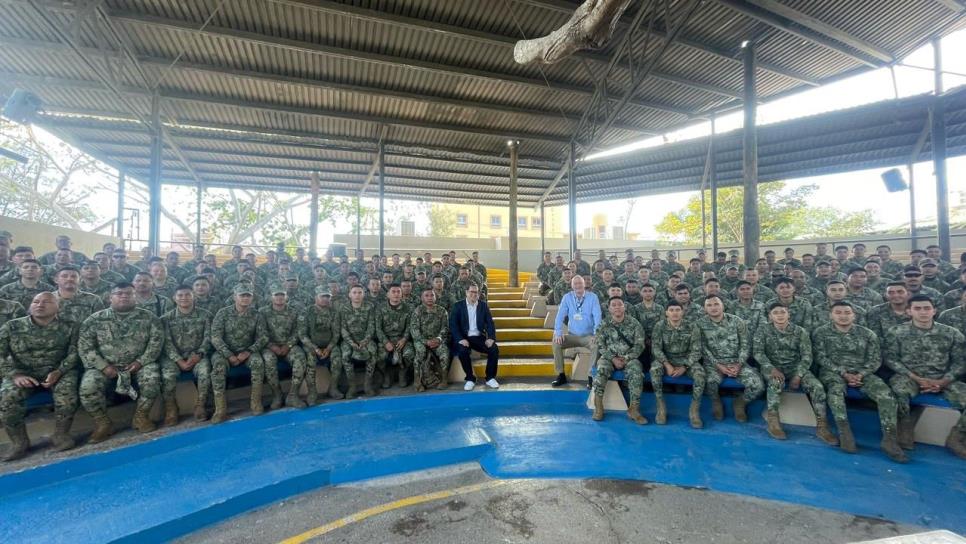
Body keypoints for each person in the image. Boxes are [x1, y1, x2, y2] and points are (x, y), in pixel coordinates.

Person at [813, 301, 907, 463]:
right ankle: (844, 432)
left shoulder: (867, 334)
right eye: (838, 312)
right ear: (831, 315)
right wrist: (843, 373)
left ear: (854, 315)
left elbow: (875, 359)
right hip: (833, 372)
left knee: (886, 396)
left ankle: (889, 439)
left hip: (863, 373)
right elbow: (821, 357)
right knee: (835, 393)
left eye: (847, 312)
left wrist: (861, 374)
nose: (843, 316)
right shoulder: (821, 333)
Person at [78, 282, 164, 441]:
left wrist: (141, 362)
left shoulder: (149, 318)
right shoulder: (94, 320)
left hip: (140, 364)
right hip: (104, 366)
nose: (124, 296)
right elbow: (85, 347)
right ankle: (103, 423)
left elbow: (156, 343)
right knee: (88, 387)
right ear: (110, 297)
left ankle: (141, 417)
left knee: (152, 380)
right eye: (119, 293)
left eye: (129, 293)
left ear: (135, 297)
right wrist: (104, 367)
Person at [884, 295, 966, 459]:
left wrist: (944, 381)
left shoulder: (951, 333)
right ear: (909, 311)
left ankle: (957, 436)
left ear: (934, 311)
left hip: (943, 378)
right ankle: (904, 429)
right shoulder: (896, 332)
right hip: (909, 376)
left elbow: (961, 362)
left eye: (927, 308)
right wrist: (915, 377)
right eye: (918, 308)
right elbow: (890, 358)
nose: (923, 312)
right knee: (899, 391)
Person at [0, 293, 80, 459]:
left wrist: (60, 371)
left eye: (46, 302)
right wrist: (14, 375)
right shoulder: (12, 327)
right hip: (23, 374)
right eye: (36, 301)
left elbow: (75, 353)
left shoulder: (71, 326)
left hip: (59, 371)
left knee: (67, 397)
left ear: (58, 307)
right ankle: (19, 442)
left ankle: (61, 435)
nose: (40, 305)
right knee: (8, 399)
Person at [754, 303, 838, 445]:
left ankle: (822, 427)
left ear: (789, 314)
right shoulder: (762, 330)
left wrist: (798, 375)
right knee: (775, 383)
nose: (780, 315)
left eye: (783, 312)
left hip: (796, 367)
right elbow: (758, 352)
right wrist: (771, 368)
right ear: (770, 316)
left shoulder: (800, 332)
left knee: (817, 387)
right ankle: (773, 422)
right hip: (773, 367)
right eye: (775, 312)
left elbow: (807, 356)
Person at [695, 295, 763, 422]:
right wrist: (718, 365)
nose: (713, 307)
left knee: (757, 385)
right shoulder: (699, 324)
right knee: (709, 382)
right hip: (713, 364)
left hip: (737, 362)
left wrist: (739, 364)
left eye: (716, 304)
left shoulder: (737, 321)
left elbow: (745, 344)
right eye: (709, 305)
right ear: (705, 308)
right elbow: (702, 348)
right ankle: (716, 402)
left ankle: (740, 403)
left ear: (723, 305)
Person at [211, 283, 268, 419]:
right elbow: (215, 337)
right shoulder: (223, 313)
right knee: (218, 368)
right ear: (234, 297)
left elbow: (263, 337)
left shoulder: (257, 315)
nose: (245, 298)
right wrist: (229, 355)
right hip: (224, 352)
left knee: (258, 363)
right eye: (242, 295)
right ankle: (220, 409)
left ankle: (255, 403)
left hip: (247, 352)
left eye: (248, 295)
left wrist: (249, 351)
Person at [161, 286, 212, 424]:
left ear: (193, 296)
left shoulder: (205, 315)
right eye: (180, 295)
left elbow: (208, 337)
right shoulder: (166, 319)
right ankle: (171, 409)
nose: (184, 298)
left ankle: (200, 406)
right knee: (167, 375)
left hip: (198, 356)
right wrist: (179, 360)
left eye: (188, 295)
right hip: (174, 358)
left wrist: (199, 354)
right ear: (174, 298)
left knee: (205, 371)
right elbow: (166, 343)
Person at [590, 297, 646, 423]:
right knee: (601, 371)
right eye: (613, 305)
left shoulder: (634, 323)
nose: (617, 307)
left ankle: (634, 410)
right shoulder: (604, 324)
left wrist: (626, 359)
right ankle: (598, 407)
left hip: (630, 358)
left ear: (624, 307)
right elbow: (600, 344)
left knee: (637, 372)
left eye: (619, 304)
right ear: (609, 309)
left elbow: (639, 345)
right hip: (609, 357)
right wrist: (613, 358)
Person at [650, 301, 703, 428]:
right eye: (672, 310)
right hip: (665, 359)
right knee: (654, 371)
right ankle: (661, 407)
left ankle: (694, 411)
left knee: (700, 375)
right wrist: (667, 364)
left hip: (685, 360)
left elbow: (697, 350)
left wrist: (685, 366)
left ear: (682, 312)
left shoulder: (691, 326)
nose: (675, 313)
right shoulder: (660, 326)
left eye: (677, 310)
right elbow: (656, 348)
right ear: (666, 312)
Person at [260, 285, 306, 408]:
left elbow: (298, 331)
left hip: (289, 346)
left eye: (282, 295)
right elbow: (260, 333)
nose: (280, 297)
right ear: (271, 297)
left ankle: (293, 395)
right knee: (269, 360)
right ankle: (277, 395)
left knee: (300, 358)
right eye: (276, 295)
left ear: (286, 297)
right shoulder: (262, 312)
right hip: (269, 347)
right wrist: (272, 346)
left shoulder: (293, 311)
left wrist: (289, 345)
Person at [551, 276, 602, 387]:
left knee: (597, 344)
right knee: (556, 343)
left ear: (584, 285)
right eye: (575, 284)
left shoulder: (593, 297)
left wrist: (596, 333)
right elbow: (560, 316)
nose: (578, 285)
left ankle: (591, 377)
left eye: (580, 283)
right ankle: (561, 375)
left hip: (588, 336)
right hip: (572, 335)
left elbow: (598, 316)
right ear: (572, 286)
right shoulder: (567, 297)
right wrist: (558, 332)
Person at [450, 282, 499, 391]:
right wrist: (460, 339)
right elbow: (453, 325)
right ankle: (470, 378)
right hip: (464, 337)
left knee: (494, 349)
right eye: (472, 292)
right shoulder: (458, 306)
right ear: (466, 292)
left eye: (476, 292)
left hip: (477, 337)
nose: (474, 294)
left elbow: (490, 323)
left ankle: (490, 377)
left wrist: (491, 338)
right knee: (462, 351)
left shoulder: (483, 305)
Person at [299, 287, 342, 401]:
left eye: (327, 296)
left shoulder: (334, 312)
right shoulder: (306, 311)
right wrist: (316, 349)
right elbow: (302, 335)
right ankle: (312, 392)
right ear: (315, 297)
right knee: (311, 359)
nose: (325, 299)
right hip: (311, 345)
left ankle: (333, 388)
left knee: (337, 357)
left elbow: (336, 333)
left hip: (329, 345)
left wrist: (329, 348)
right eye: (322, 296)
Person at [410, 288, 451, 391]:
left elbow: (445, 328)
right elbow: (414, 330)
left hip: (437, 340)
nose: (430, 298)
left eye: (432, 295)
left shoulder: (442, 311)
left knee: (444, 352)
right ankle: (417, 380)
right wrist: (425, 341)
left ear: (435, 297)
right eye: (427, 295)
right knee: (421, 351)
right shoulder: (417, 311)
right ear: (422, 298)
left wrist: (438, 339)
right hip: (421, 340)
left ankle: (444, 379)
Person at [376, 284, 415, 389]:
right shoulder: (380, 308)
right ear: (388, 294)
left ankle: (402, 373)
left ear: (402, 294)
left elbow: (410, 326)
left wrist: (404, 339)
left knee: (410, 354)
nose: (396, 294)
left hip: (402, 339)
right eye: (393, 292)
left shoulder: (408, 308)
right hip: (386, 339)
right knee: (379, 357)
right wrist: (385, 342)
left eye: (398, 292)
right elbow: (378, 328)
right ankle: (386, 375)